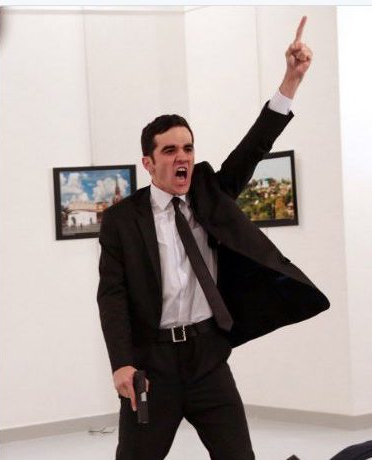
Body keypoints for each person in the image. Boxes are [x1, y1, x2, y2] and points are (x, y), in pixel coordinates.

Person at [97, 16, 330, 460]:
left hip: (207, 357)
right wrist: (121, 362)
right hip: (153, 365)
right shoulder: (122, 221)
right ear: (148, 163)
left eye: (187, 148)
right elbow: (112, 294)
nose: (181, 157)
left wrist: (291, 81)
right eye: (169, 150)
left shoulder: (209, 193)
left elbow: (253, 148)